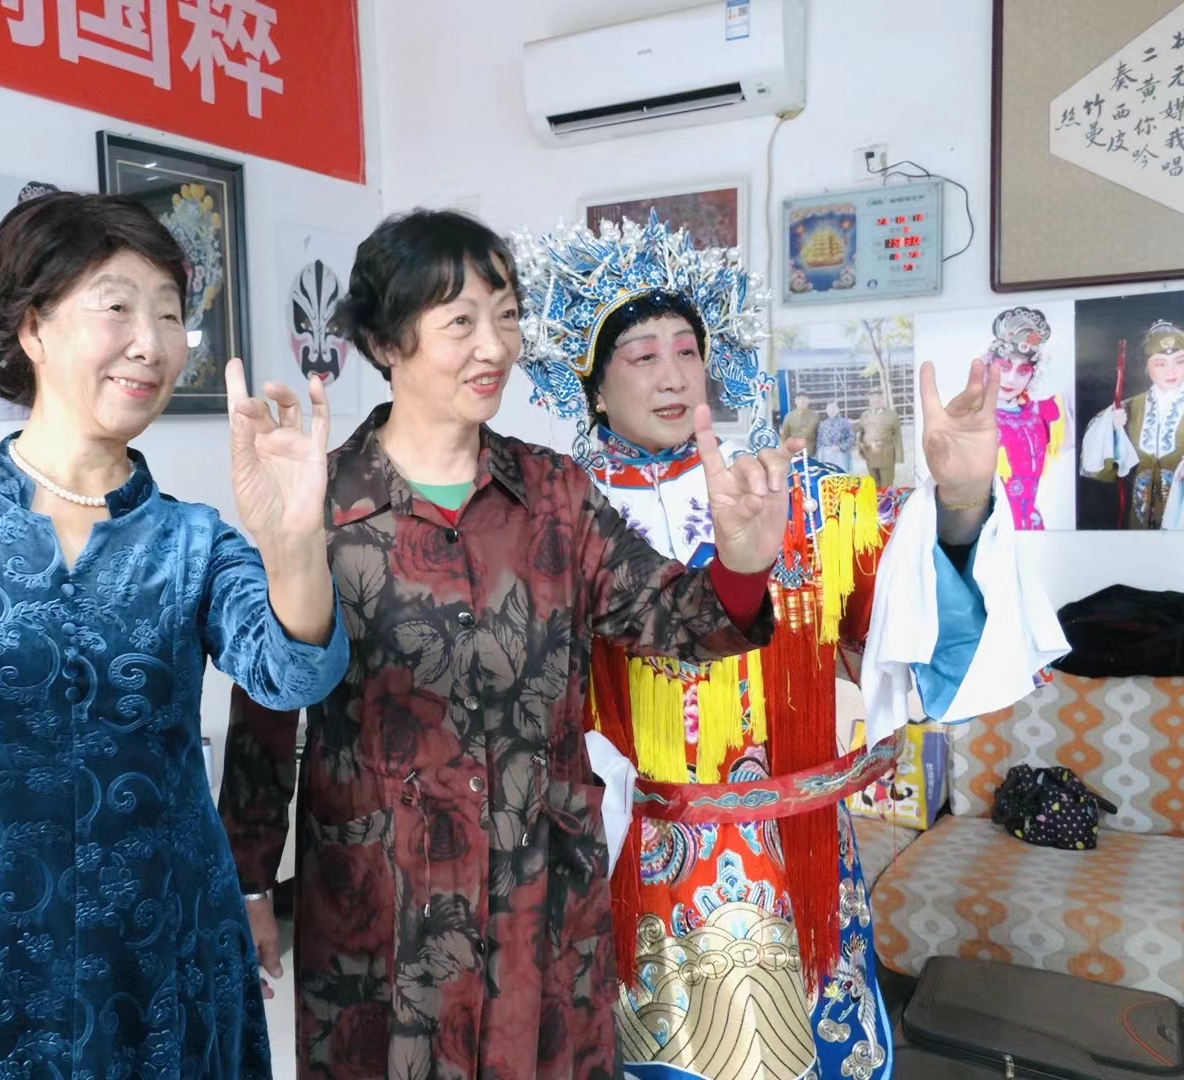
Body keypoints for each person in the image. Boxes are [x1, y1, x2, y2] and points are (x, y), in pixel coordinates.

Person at [0, 192, 348, 1078]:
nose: (152, 343)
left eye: (170, 314)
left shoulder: (193, 542)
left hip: (167, 949)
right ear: (33, 326)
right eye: (119, 307)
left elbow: (292, 674)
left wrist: (294, 540)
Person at [219, 209, 795, 1078]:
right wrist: (252, 879)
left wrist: (742, 564)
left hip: (543, 896)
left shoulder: (556, 493)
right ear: (386, 341)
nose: (493, 346)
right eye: (460, 321)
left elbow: (673, 621)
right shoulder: (320, 501)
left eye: (508, 315)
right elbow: (265, 707)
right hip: (384, 906)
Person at [508, 213, 1021, 1080]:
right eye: (642, 355)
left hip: (798, 859)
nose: (674, 375)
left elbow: (908, 618)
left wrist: (963, 496)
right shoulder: (553, 522)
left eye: (688, 350)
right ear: (592, 386)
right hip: (630, 858)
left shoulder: (797, 495)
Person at [1083, 320, 1184, 528]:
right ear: (1147, 367)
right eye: (1160, 364)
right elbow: (1109, 469)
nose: (1171, 371)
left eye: (1179, 361)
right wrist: (1113, 429)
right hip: (1140, 520)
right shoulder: (1130, 408)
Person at [985, 306, 1067, 530]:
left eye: (1023, 371)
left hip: (1031, 525)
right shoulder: (976, 416)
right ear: (989, 366)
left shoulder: (1040, 412)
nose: (1011, 379)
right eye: (1004, 367)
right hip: (991, 527)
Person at [855, 394, 903, 487]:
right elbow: (861, 434)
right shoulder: (865, 415)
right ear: (869, 400)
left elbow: (898, 436)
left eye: (878, 398)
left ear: (882, 400)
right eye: (873, 398)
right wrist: (861, 451)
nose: (876, 401)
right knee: (873, 484)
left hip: (886, 455)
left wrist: (899, 457)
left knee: (886, 485)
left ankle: (886, 496)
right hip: (870, 455)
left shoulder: (892, 415)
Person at [815, 399, 854, 471]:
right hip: (826, 455)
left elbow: (851, 438)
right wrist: (818, 456)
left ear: (838, 409)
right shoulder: (823, 424)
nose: (831, 410)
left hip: (840, 454)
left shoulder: (845, 423)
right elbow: (819, 441)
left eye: (834, 407)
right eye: (829, 408)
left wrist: (840, 447)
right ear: (826, 410)